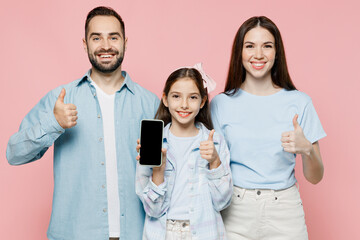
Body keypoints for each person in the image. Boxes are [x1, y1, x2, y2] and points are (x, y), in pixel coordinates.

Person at [6, 6, 159, 240]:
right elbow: (14, 154)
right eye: (96, 38)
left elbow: (165, 172)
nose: (106, 46)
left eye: (113, 37)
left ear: (125, 42)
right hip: (75, 234)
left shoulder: (149, 104)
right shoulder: (62, 98)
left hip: (138, 234)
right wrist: (53, 123)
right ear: (85, 44)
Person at [211, 16, 326, 240]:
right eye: (250, 46)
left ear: (277, 52)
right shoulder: (220, 104)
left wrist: (307, 150)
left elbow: (315, 177)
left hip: (284, 210)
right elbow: (212, 166)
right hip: (235, 209)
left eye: (267, 46)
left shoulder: (300, 102)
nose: (259, 55)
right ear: (239, 52)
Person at [135, 64, 233, 240]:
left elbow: (222, 202)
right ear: (165, 99)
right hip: (163, 232)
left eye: (193, 97)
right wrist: (158, 170)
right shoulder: (153, 143)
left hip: (204, 232)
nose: (184, 105)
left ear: (202, 102)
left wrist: (215, 162)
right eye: (176, 96)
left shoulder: (215, 142)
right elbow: (153, 210)